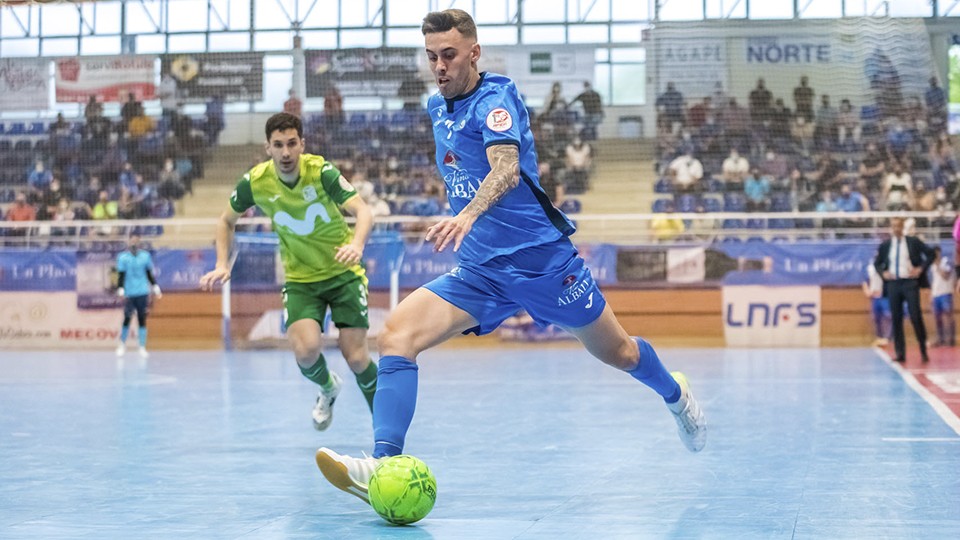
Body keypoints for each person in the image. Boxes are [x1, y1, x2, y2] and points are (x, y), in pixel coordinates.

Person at [314, 9, 706, 506]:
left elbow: (507, 168)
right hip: (481, 272)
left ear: (473, 53)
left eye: (450, 55)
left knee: (621, 353)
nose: (440, 65)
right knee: (395, 335)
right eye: (432, 56)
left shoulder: (496, 99)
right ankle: (383, 464)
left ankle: (676, 395)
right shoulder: (437, 107)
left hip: (542, 264)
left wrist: (468, 215)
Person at [199, 112, 378, 431]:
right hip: (300, 280)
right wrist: (222, 263)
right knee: (306, 352)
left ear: (302, 145)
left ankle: (386, 428)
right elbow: (226, 221)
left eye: (291, 144)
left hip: (344, 274)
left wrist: (358, 245)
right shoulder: (255, 182)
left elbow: (362, 211)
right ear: (268, 147)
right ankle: (327, 387)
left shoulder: (321, 171)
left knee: (356, 356)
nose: (285, 152)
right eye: (278, 145)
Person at [874, 217, 936, 363]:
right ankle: (900, 353)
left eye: (899, 226)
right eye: (893, 226)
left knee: (915, 315)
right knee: (896, 318)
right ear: (891, 227)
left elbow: (931, 254)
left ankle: (923, 350)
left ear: (902, 227)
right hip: (894, 284)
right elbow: (877, 263)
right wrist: (883, 273)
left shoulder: (912, 242)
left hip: (910, 283)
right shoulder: (886, 245)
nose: (896, 229)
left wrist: (920, 269)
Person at [115, 234, 162, 358]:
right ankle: (122, 345)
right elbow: (121, 274)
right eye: (132, 241)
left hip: (142, 291)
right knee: (127, 318)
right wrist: (120, 288)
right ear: (129, 242)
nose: (134, 243)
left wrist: (155, 286)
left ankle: (142, 346)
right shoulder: (123, 257)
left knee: (142, 319)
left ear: (139, 242)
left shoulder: (145, 256)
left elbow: (148, 273)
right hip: (130, 292)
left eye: (136, 241)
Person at [929, 247, 956, 347]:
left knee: (948, 316)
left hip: (945, 293)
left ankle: (951, 338)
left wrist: (938, 266)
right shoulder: (932, 265)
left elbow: (946, 275)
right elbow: (934, 280)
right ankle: (940, 338)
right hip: (936, 294)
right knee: (937, 317)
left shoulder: (946, 261)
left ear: (939, 253)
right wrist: (931, 295)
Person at [862, 257, 890, 347]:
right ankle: (879, 337)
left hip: (885, 296)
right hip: (875, 296)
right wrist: (867, 291)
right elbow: (865, 281)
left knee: (889, 316)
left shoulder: (888, 266)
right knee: (876, 318)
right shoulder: (870, 268)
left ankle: (888, 338)